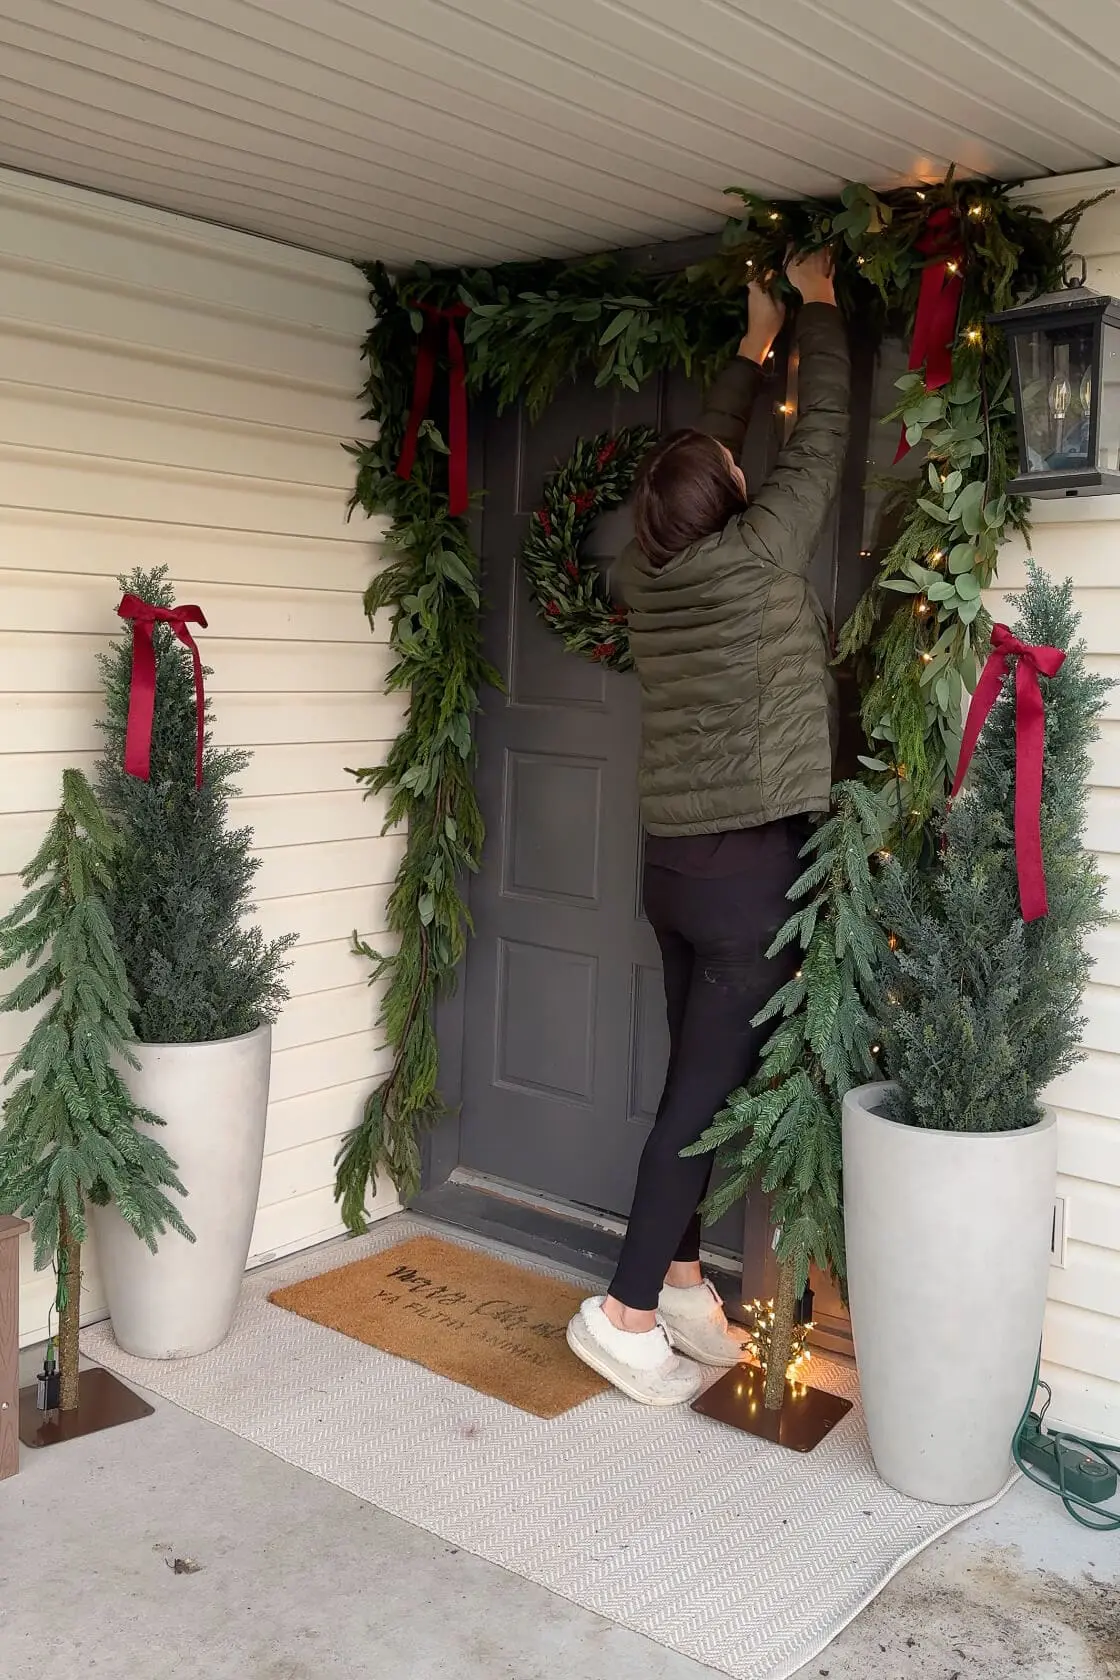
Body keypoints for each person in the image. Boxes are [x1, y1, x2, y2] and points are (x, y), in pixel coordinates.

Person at [566, 249, 850, 1406]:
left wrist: (752, 345)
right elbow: (822, 438)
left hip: (671, 871)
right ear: (731, 495)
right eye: (733, 462)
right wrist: (822, 313)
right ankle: (626, 1307)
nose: (740, 458)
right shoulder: (757, 551)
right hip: (743, 879)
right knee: (698, 1101)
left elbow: (690, 462)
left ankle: (681, 1277)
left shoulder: (649, 568)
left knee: (699, 1077)